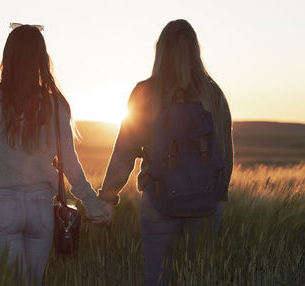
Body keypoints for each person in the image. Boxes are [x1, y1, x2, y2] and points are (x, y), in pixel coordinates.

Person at [0, 24, 109, 285]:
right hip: (41, 207)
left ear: (7, 57)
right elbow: (71, 165)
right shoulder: (56, 104)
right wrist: (93, 204)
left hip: (0, 206)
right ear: (42, 60)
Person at [98, 19, 234, 285]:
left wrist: (107, 196)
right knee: (199, 278)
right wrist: (216, 194)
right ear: (196, 50)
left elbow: (124, 152)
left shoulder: (145, 92)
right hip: (205, 204)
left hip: (159, 201)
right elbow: (225, 154)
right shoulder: (213, 93)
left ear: (160, 51)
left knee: (157, 279)